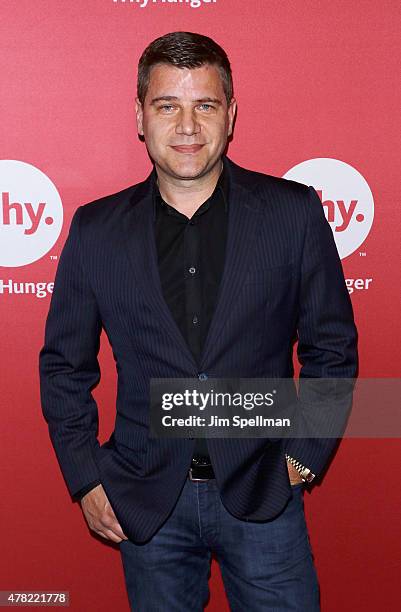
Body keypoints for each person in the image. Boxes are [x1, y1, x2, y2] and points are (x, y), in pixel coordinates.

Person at [39, 31, 358, 611]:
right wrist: (86, 478)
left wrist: (302, 456)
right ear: (140, 116)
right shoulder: (96, 230)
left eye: (204, 105)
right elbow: (64, 366)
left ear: (230, 115)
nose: (187, 126)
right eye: (168, 105)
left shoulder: (293, 213)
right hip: (147, 500)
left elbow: (331, 348)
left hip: (265, 494)